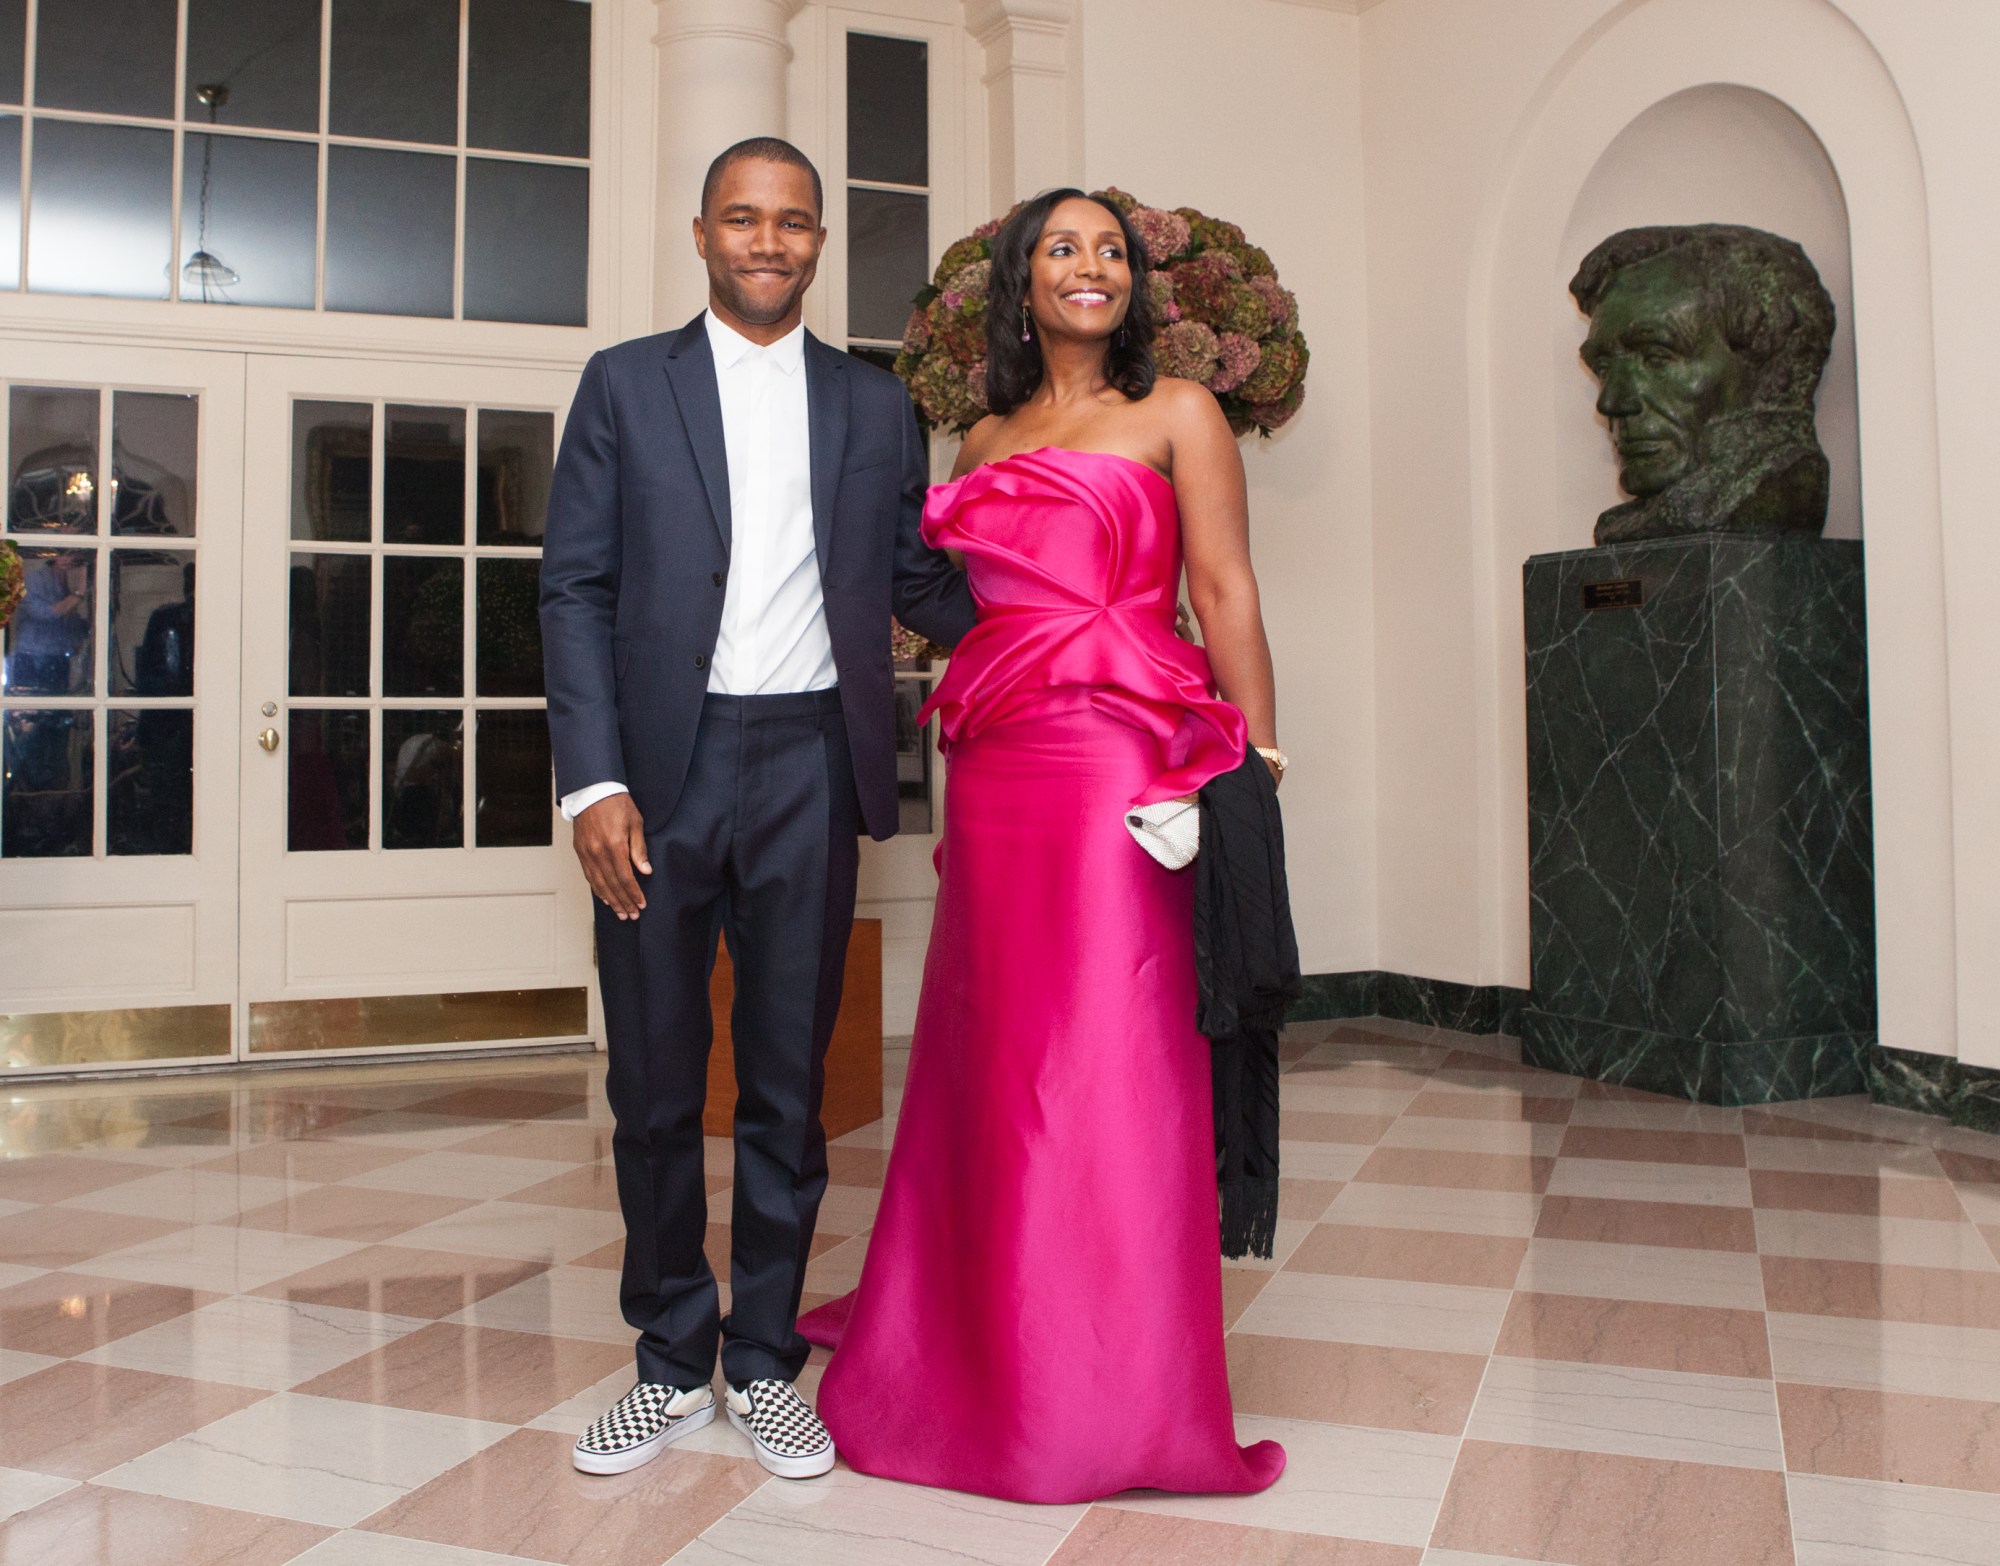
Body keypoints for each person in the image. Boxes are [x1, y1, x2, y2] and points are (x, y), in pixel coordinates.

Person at [798, 188, 1288, 1502]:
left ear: (1138, 283)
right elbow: (967, 602)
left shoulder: (1182, 411)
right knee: (997, 1043)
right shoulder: (982, 431)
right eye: (1064, 248)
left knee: (1112, 1045)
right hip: (1001, 761)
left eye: (1111, 251)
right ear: (1021, 282)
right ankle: (979, 1337)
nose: (1092, 268)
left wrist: (1254, 754)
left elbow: (1225, 586)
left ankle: (1114, 1379)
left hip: (1129, 750)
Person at [539, 137, 976, 1481]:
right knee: (657, 1082)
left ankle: (768, 1358)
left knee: (788, 1089)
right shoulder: (624, 386)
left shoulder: (873, 404)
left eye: (794, 221)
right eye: (744, 217)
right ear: (701, 233)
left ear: (821, 241)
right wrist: (594, 780)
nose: (769, 240)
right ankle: (672, 1357)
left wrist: (1081, 609)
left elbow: (920, 576)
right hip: (659, 775)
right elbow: (577, 589)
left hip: (810, 767)